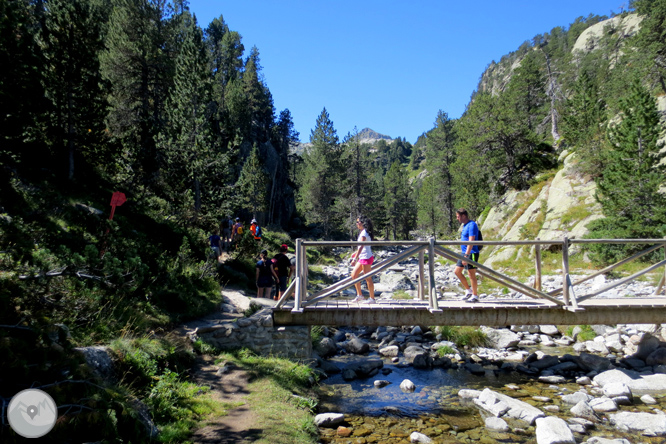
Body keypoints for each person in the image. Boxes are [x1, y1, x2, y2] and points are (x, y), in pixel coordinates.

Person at [454, 208, 480, 303]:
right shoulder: (464, 225)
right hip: (464, 253)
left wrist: (466, 255)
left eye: (458, 216)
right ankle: (468, 291)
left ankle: (475, 295)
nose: (457, 218)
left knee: (471, 274)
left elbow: (471, 240)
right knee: (457, 271)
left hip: (471, 253)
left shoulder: (472, 225)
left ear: (463, 216)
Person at [350, 215, 376, 304]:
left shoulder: (364, 233)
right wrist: (356, 254)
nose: (357, 224)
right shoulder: (362, 232)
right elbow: (361, 247)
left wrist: (355, 258)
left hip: (366, 257)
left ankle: (372, 298)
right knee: (354, 275)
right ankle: (360, 295)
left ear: (362, 223)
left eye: (358, 222)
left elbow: (361, 246)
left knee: (368, 278)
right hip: (362, 257)